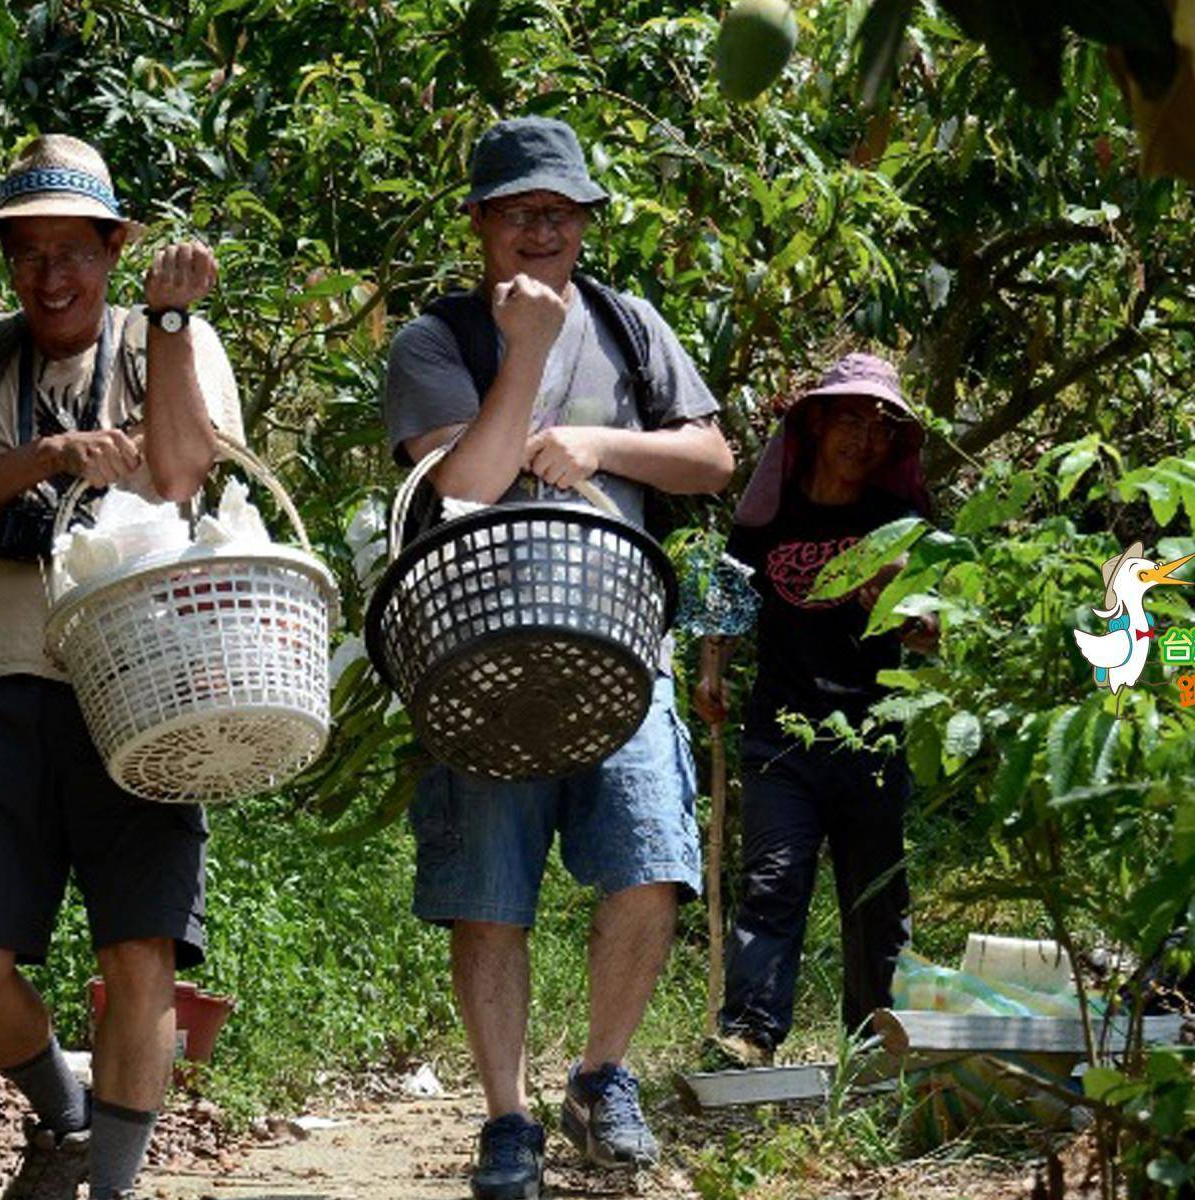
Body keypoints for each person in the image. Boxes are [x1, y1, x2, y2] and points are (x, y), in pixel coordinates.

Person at [382, 115, 736, 1200]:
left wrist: (601, 446)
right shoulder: (433, 343)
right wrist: (526, 354)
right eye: (522, 211)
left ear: (584, 223)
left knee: (650, 867)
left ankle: (601, 1076)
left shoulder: (632, 327)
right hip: (480, 656)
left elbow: (712, 459)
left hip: (623, 646)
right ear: (480, 222)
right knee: (489, 894)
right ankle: (506, 1118)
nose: (544, 231)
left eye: (563, 213)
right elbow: (460, 489)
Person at [0, 134, 243, 1200]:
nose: (51, 277)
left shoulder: (165, 343)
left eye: (74, 253)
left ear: (112, 250)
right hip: (1, 683)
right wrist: (52, 455)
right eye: (28, 252)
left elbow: (189, 475)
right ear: (6, 259)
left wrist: (175, 326)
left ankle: (113, 1186)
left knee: (139, 956)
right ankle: (63, 1119)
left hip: (143, 692)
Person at [699, 352, 938, 1070]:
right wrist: (712, 667)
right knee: (773, 880)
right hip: (783, 733)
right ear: (817, 422)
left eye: (882, 426)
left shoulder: (899, 523)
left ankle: (877, 1041)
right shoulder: (772, 512)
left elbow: (940, 627)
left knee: (876, 893)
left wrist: (909, 618)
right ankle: (749, 1032)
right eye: (852, 418)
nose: (865, 438)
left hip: (875, 736)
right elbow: (728, 595)